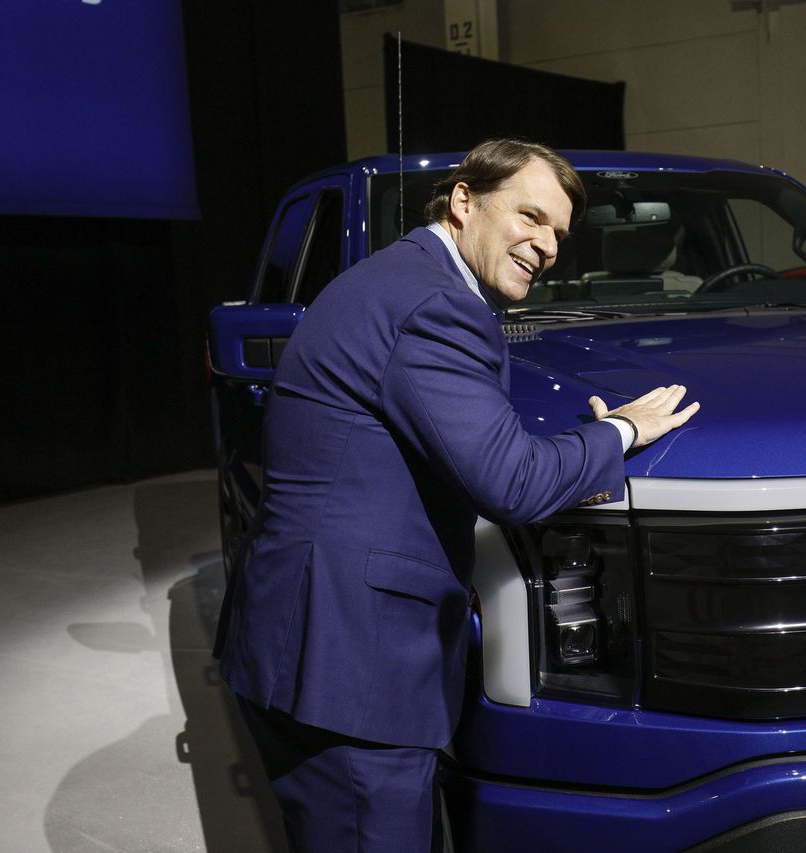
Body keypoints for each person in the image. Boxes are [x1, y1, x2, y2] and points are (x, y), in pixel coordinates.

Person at [214, 138, 699, 851]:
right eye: (530, 216)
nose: (547, 245)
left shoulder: (400, 278)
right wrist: (621, 431)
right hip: (351, 672)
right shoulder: (435, 307)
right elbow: (511, 480)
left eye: (560, 233)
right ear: (466, 200)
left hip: (318, 643)